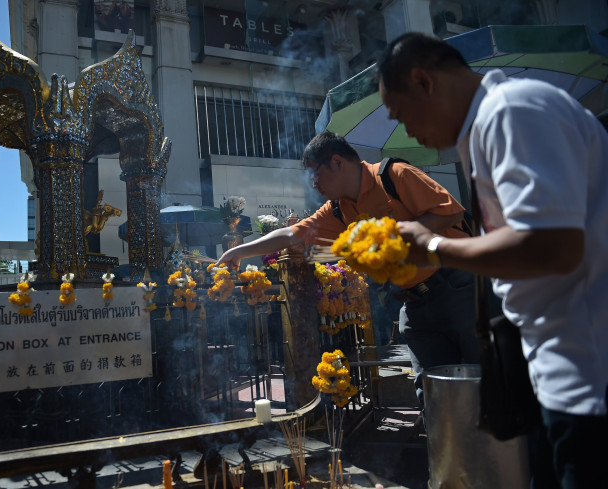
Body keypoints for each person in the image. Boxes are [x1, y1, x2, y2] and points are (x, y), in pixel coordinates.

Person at [377, 32, 608, 489]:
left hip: (588, 375)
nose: (405, 133)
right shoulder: (486, 128)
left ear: (423, 81)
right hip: (557, 370)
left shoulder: (512, 111)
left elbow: (553, 247)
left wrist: (434, 248)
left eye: (400, 114)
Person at [217, 131, 480, 414]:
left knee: (487, 384)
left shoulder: (394, 176)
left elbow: (450, 212)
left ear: (337, 162)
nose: (314, 184)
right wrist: (238, 251)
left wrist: (392, 239)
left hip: (461, 290)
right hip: (414, 305)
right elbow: (292, 233)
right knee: (435, 398)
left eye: (315, 175)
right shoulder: (338, 210)